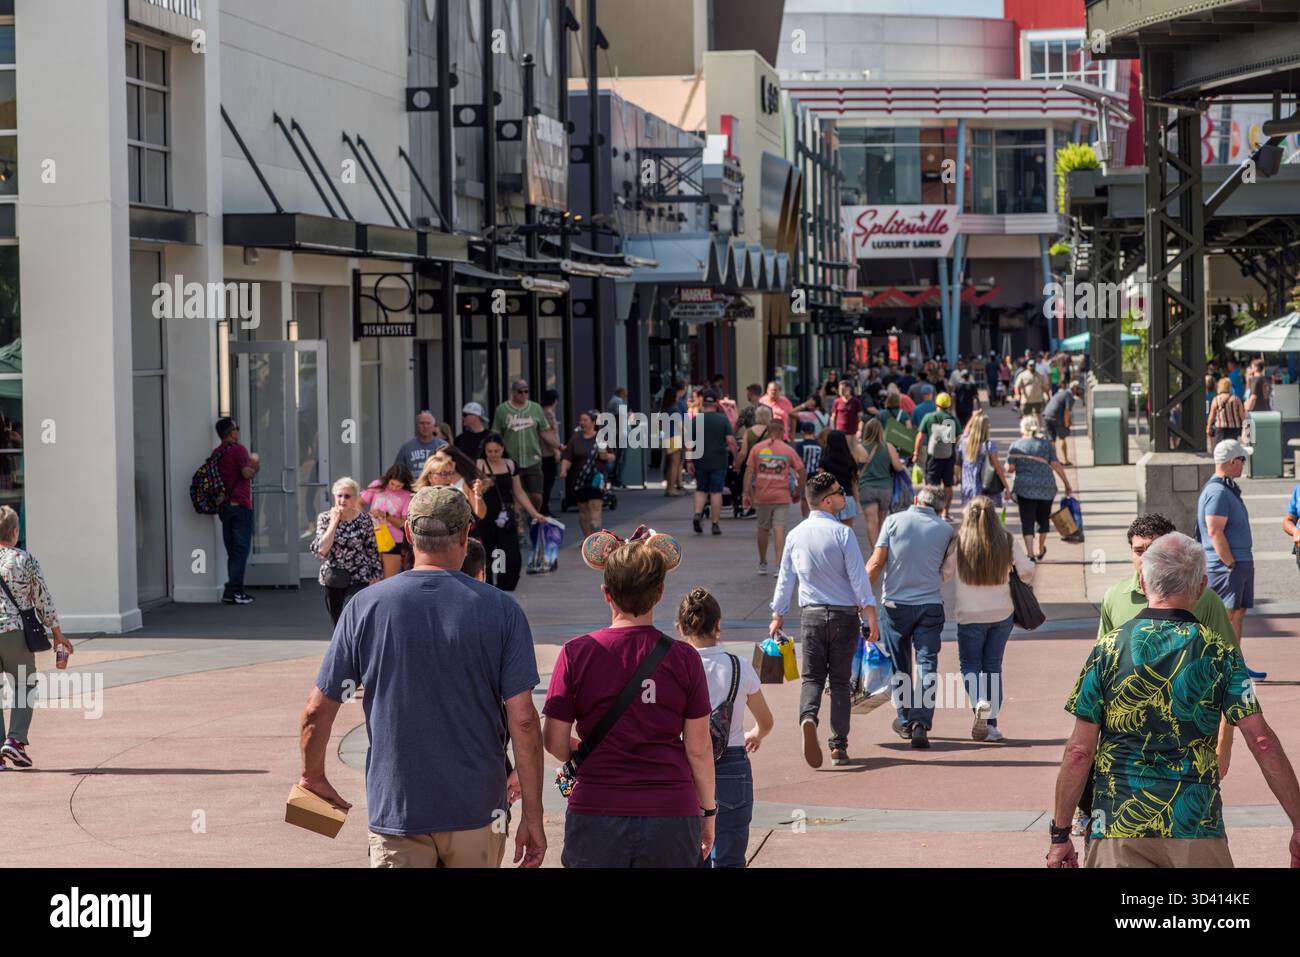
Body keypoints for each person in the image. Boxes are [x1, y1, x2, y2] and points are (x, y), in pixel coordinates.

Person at [301, 487, 546, 869]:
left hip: (398, 808)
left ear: (411, 536)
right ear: (466, 535)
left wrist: (312, 776)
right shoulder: (501, 610)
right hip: (478, 810)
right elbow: (525, 721)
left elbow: (317, 711)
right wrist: (533, 815)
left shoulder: (364, 607)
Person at [1048, 531, 1300, 869]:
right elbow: (1262, 741)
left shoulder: (1108, 649)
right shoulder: (1220, 651)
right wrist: (1298, 823)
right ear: (1201, 586)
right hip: (1195, 822)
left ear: (1143, 579)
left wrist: (1060, 835)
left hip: (1117, 821)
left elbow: (1079, 751)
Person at [542, 538, 716, 867]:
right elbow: (698, 748)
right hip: (670, 813)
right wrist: (707, 811)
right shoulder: (684, 658)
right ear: (660, 592)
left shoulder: (576, 653)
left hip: (596, 809)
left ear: (606, 593)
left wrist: (583, 751)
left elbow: (552, 740)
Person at [770, 472, 880, 768]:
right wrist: (870, 613)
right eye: (841, 492)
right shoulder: (843, 534)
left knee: (812, 677)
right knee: (841, 682)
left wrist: (777, 614)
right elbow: (859, 578)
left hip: (812, 615)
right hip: (844, 615)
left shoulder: (795, 535)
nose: (845, 496)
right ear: (827, 500)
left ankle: (808, 717)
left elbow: (785, 579)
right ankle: (838, 746)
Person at [676, 586, 774, 868]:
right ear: (718, 625)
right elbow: (766, 721)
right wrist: (755, 734)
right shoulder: (739, 666)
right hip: (732, 764)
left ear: (681, 628)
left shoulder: (678, 667)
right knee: (731, 857)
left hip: (688, 765)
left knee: (692, 854)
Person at [866, 485, 955, 749]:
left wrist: (861, 598)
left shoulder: (893, 521)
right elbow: (947, 570)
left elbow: (876, 562)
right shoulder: (946, 530)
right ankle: (921, 722)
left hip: (895, 605)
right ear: (940, 508)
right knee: (927, 663)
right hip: (929, 604)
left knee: (900, 664)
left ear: (916, 500)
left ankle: (904, 720)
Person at [942, 496, 1033, 742]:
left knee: (970, 666)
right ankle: (991, 724)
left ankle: (979, 702)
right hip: (1001, 613)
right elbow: (1027, 571)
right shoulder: (1006, 540)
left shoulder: (960, 542)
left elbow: (945, 574)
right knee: (992, 666)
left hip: (969, 615)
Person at [0, 506, 73, 769]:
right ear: (16, 532)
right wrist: (57, 634)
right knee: (24, 684)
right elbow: (41, 597)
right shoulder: (24, 560)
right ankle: (15, 741)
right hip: (14, 633)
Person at [1197, 439, 1265, 680]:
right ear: (1232, 461)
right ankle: (1219, 668)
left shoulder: (1224, 489)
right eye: (1242, 460)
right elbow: (1214, 530)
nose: (1244, 465)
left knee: (1237, 613)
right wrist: (1230, 563)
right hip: (1227, 567)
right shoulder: (1217, 492)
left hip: (1236, 564)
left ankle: (1235, 665)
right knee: (1226, 616)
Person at [477, 433, 548, 592]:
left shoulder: (510, 464)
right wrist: (484, 484)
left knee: (509, 554)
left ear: (503, 448)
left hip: (505, 515)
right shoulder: (480, 464)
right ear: (485, 451)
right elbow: (474, 491)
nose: (493, 455)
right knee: (488, 552)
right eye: (490, 451)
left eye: (496, 451)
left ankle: (503, 586)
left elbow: (519, 492)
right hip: (485, 515)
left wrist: (534, 513)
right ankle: (488, 586)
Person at [311, 477, 383, 627]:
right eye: (339, 495)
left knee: (352, 615)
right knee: (337, 621)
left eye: (347, 496)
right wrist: (333, 522)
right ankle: (343, 648)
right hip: (334, 576)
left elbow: (372, 548)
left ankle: (355, 648)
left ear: (355, 498)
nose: (343, 500)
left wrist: (376, 574)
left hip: (359, 575)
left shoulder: (364, 519)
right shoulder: (324, 518)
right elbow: (321, 551)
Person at [742, 417, 806, 575]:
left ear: (768, 431)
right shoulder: (788, 450)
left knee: (763, 528)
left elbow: (749, 472)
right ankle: (778, 565)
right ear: (781, 431)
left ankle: (762, 562)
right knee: (779, 529)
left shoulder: (757, 448)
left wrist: (746, 493)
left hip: (762, 496)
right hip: (781, 496)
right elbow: (801, 470)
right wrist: (799, 489)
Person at [1005, 415, 1073, 562]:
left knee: (1027, 521)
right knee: (1043, 519)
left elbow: (1010, 468)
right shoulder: (1046, 444)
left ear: (1022, 428)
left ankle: (1029, 553)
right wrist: (1067, 483)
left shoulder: (1016, 445)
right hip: (1045, 488)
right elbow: (1056, 465)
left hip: (1024, 489)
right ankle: (1040, 549)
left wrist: (1009, 467)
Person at [212, 416, 260, 605]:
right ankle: (235, 591)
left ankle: (231, 590)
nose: (237, 431)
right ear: (231, 432)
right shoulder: (238, 450)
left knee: (232, 551)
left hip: (224, 506)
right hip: (240, 505)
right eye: (236, 428)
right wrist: (255, 462)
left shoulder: (217, 452)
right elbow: (247, 473)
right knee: (241, 550)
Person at [491, 379, 556, 515]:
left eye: (526, 391)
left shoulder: (535, 408)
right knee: (517, 498)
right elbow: (496, 434)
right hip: (512, 461)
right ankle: (519, 529)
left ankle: (534, 516)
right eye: (520, 392)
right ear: (513, 392)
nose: (524, 394)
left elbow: (544, 431)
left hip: (533, 459)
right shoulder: (502, 410)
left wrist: (558, 446)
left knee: (537, 496)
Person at [559, 410, 617, 538]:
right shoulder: (575, 439)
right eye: (581, 420)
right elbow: (567, 457)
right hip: (579, 480)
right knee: (584, 510)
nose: (582, 423)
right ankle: (587, 540)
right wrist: (563, 470)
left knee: (595, 508)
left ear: (593, 422)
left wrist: (606, 456)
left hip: (597, 479)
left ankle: (596, 539)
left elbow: (612, 456)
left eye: (585, 420)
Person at [688, 390, 737, 536]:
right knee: (716, 491)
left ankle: (698, 514)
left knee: (701, 489)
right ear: (716, 403)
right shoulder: (723, 420)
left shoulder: (696, 420)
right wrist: (736, 456)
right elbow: (730, 441)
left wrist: (689, 460)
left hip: (700, 460)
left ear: (704, 404)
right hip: (719, 460)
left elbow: (689, 442)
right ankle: (715, 523)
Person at [855, 418, 904, 546]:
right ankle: (882, 551)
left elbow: (853, 470)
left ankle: (874, 553)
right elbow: (898, 467)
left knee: (872, 521)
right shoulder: (889, 447)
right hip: (885, 488)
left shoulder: (859, 448)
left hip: (867, 487)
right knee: (882, 522)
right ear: (881, 431)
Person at [912, 391, 960, 520]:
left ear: (936, 403)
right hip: (949, 456)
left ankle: (931, 512)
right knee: (948, 486)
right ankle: (945, 512)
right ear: (949, 405)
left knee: (931, 486)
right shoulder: (953, 419)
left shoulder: (929, 417)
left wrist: (916, 453)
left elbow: (920, 436)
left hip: (933, 457)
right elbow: (958, 438)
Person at [362, 463, 414, 579]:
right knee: (370, 579)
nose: (394, 488)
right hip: (371, 536)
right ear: (388, 479)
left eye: (398, 486)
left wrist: (386, 515)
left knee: (389, 579)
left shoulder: (406, 495)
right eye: (392, 484)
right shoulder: (377, 485)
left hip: (393, 540)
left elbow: (404, 523)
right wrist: (363, 519)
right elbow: (358, 502)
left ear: (404, 485)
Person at [413, 450, 489, 522]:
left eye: (450, 473)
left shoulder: (457, 496)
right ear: (430, 477)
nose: (449, 478)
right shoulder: (420, 499)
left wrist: (477, 495)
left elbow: (480, 515)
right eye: (443, 474)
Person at [958, 412, 1008, 507]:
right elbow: (997, 468)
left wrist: (973, 416)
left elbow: (965, 432)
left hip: (967, 487)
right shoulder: (988, 446)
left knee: (970, 515)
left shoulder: (964, 442)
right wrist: (1007, 488)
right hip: (983, 488)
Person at [820, 430, 861, 528]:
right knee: (847, 531)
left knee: (830, 531)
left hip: (830, 499)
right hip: (847, 498)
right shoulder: (850, 460)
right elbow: (853, 483)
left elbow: (820, 482)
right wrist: (857, 501)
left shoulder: (825, 460)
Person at [393, 411, 448, 477]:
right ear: (417, 426)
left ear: (434, 427)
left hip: (436, 486)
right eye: (421, 423)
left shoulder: (443, 446)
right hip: (413, 486)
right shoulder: (406, 447)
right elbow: (397, 472)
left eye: (428, 423)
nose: (425, 426)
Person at [1042, 382, 1080, 467]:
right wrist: (1066, 424)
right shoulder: (1069, 396)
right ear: (1074, 389)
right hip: (1056, 416)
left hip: (1047, 415)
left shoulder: (1062, 393)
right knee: (1063, 437)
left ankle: (1052, 461)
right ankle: (1065, 460)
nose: (1080, 391)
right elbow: (1066, 411)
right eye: (1078, 389)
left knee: (1052, 440)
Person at [539, 389, 564, 513]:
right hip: (548, 452)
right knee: (548, 482)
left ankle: (544, 507)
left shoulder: (541, 411)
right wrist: (557, 449)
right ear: (554, 401)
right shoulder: (548, 413)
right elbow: (551, 434)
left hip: (544, 451)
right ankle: (544, 508)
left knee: (546, 482)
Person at [659, 386, 686, 497]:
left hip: (666, 437)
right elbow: (680, 426)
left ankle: (668, 488)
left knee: (670, 464)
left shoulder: (664, 409)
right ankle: (671, 489)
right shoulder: (675, 409)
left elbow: (660, 425)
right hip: (675, 437)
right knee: (675, 464)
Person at [1206, 377, 1245, 447]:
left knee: (1221, 449)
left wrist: (1208, 427)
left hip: (1220, 428)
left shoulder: (1216, 399)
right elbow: (1242, 415)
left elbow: (1211, 416)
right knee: (1232, 449)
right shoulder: (1236, 399)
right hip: (1234, 428)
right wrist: (1245, 427)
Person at [605, 387, 628, 488]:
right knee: (621, 457)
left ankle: (614, 478)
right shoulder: (618, 401)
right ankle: (617, 480)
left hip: (615, 432)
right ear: (621, 393)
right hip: (620, 433)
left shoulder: (613, 401)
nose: (627, 394)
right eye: (625, 392)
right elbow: (620, 417)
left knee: (618, 456)